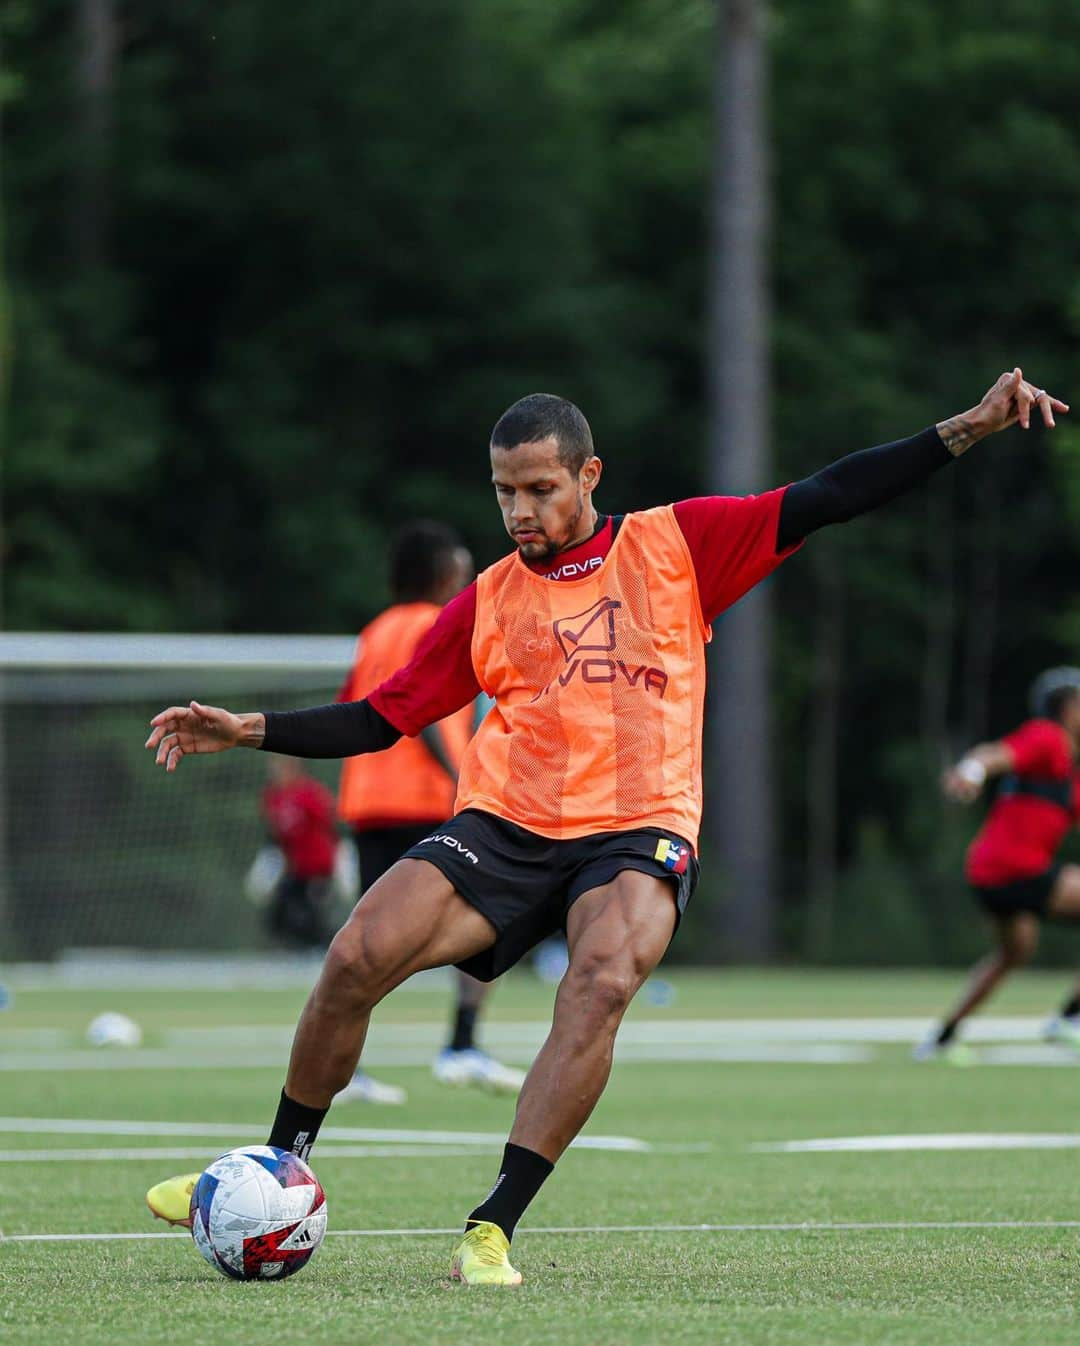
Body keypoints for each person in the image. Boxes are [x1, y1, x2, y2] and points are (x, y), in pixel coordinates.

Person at [144, 369, 1066, 1284]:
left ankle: (492, 1228)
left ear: (589, 477)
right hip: (505, 824)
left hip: (639, 825)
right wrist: (250, 729)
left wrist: (968, 429)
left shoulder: (680, 545)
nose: (520, 512)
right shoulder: (490, 598)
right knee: (353, 956)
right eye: (505, 492)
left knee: (602, 978)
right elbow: (383, 716)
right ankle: (271, 1171)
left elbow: (830, 496)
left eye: (540, 489)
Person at [337, 520, 524, 1097]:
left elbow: (355, 709)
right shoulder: (434, 624)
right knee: (490, 919)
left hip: (368, 800)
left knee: (371, 943)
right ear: (443, 573)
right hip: (426, 800)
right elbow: (410, 712)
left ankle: (345, 1067)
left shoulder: (374, 631)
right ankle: (462, 1044)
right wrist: (460, 778)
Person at [915, 667, 1080, 1063]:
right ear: (1067, 708)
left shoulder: (1069, 770)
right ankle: (1071, 1019)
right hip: (1015, 868)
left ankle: (943, 1037)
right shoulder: (1048, 737)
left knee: (1015, 951)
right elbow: (994, 754)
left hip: (989, 873)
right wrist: (972, 772)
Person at [259, 757, 406, 1106]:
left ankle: (322, 958)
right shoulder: (272, 797)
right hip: (294, 873)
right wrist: (268, 863)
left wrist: (341, 863)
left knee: (314, 924)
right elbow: (274, 836)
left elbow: (331, 827)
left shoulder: (310, 795)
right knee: (279, 918)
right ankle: (311, 957)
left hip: (318, 871)